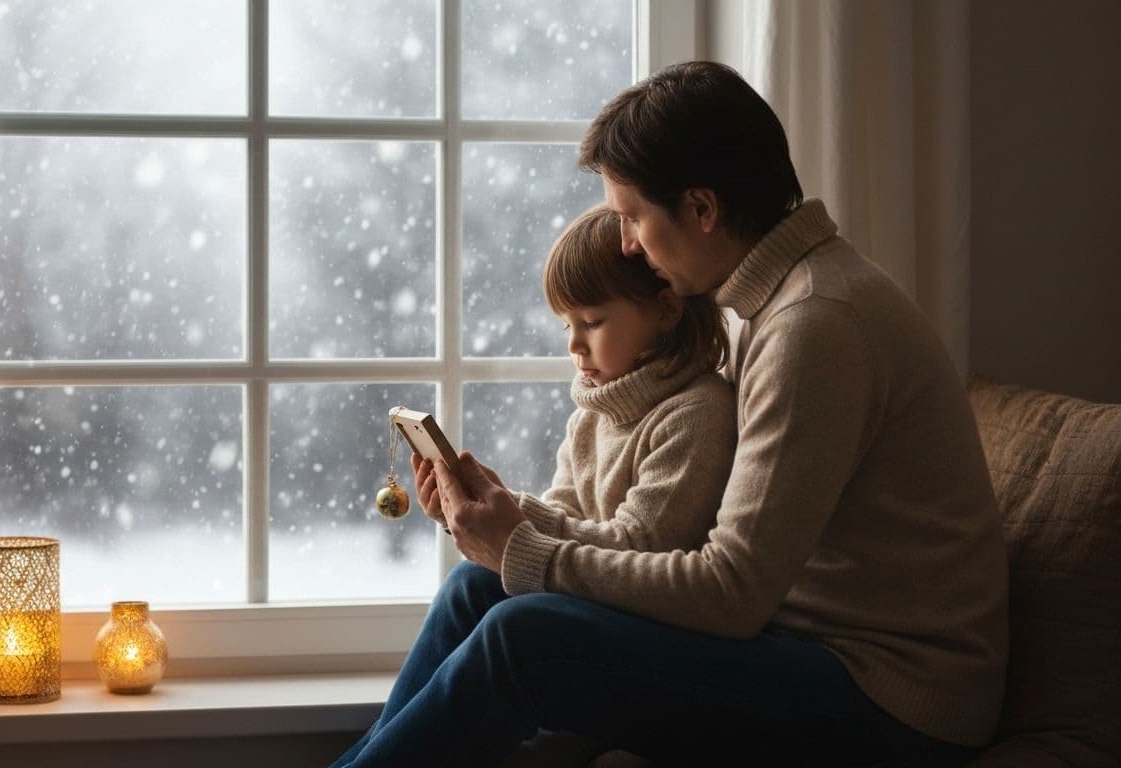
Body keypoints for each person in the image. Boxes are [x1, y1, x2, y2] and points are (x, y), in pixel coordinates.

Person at [334, 60, 1009, 767]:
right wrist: (512, 526)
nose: (627, 243)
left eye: (633, 217)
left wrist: (527, 551)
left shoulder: (815, 325)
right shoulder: (777, 308)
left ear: (701, 209)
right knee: (478, 586)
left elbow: (731, 593)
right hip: (807, 647)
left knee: (523, 641)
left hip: (894, 696)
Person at [331, 201, 737, 768]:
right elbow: (561, 519)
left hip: (651, 629)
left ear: (666, 310)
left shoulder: (697, 412)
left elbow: (640, 549)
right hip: (602, 608)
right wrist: (483, 516)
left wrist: (511, 520)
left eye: (592, 322)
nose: (574, 345)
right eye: (567, 325)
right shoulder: (593, 415)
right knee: (471, 582)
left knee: (509, 624)